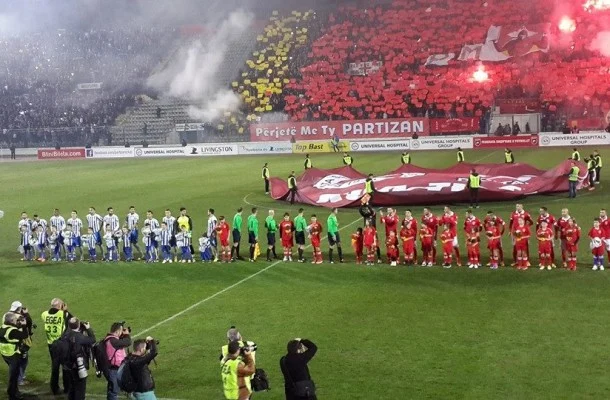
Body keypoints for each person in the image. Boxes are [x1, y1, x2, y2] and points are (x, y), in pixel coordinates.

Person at [60, 318, 96, 400]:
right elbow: (92, 339)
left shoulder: (65, 335)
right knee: (80, 390)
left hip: (67, 366)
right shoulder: (80, 337)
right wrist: (88, 329)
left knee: (72, 388)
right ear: (79, 325)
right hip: (78, 367)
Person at [42, 298, 72, 395]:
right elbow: (72, 319)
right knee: (65, 366)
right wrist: (65, 310)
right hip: (61, 343)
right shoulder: (62, 314)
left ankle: (54, 388)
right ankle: (67, 388)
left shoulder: (44, 314)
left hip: (51, 344)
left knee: (55, 367)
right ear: (60, 306)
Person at [1, 311, 28, 400]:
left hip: (5, 354)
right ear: (11, 321)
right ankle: (12, 395)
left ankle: (14, 391)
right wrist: (24, 325)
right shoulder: (12, 331)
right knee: (14, 376)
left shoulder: (2, 328)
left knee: (14, 374)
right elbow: (24, 335)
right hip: (13, 355)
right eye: (15, 320)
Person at [104, 323, 132, 400]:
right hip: (114, 370)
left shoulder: (112, 339)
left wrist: (123, 335)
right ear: (118, 331)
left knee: (117, 389)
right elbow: (128, 342)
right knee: (113, 392)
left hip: (117, 369)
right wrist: (126, 335)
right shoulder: (113, 341)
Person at [8, 302, 33, 388]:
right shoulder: (20, 317)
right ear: (19, 308)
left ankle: (20, 376)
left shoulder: (7, 315)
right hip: (21, 343)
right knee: (23, 361)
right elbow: (28, 323)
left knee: (18, 361)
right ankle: (20, 379)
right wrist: (26, 314)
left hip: (11, 342)